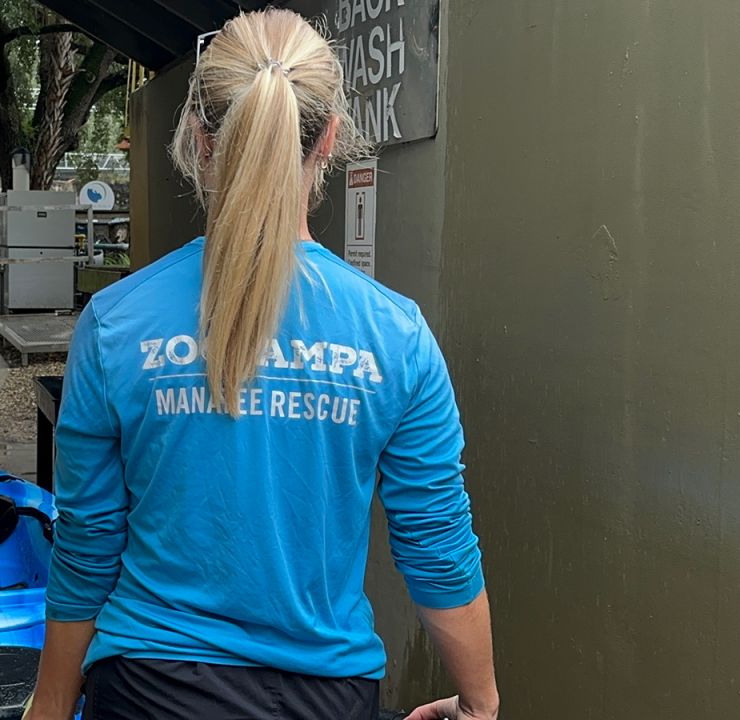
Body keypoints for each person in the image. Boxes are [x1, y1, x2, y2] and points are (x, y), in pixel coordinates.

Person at [26, 9, 498, 720]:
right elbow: (436, 546)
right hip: (324, 696)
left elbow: (88, 542)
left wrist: (51, 706)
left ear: (195, 138)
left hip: (149, 689)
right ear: (330, 140)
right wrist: (480, 702)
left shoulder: (117, 322)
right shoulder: (394, 334)